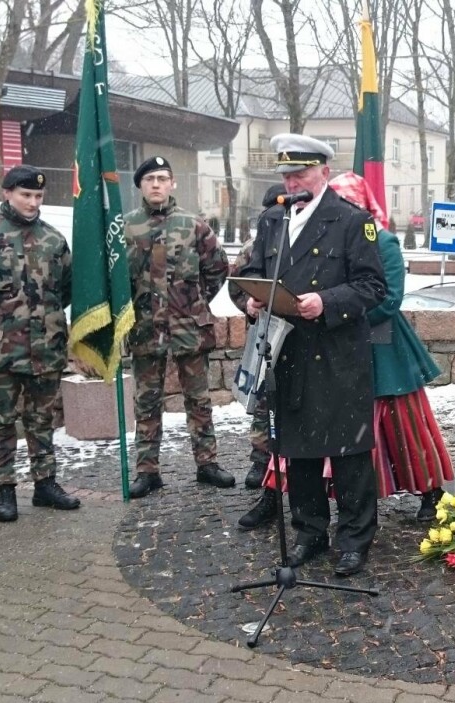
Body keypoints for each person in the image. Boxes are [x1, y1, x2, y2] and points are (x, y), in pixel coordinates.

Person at [236, 173, 453, 532]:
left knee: (397, 432)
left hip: (378, 349)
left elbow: (386, 297)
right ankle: (276, 496)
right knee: (302, 432)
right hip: (316, 345)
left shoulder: (381, 240)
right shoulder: (299, 229)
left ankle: (426, 490)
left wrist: (336, 314)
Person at [235, 134, 387, 576]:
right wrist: (249, 300)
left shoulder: (352, 221)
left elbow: (373, 287)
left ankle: (355, 538)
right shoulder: (272, 221)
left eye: (300, 173)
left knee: (348, 454)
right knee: (298, 452)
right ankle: (309, 532)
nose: (292, 181)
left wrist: (328, 301)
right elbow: (247, 274)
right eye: (285, 174)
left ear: (324, 171)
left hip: (337, 354)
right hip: (289, 354)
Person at [0, 165, 81, 523]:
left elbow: (66, 289)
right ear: (7, 193)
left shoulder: (54, 239)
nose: (32, 202)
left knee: (41, 419)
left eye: (38, 196)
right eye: (25, 195)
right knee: (1, 421)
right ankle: (4, 490)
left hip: (46, 345)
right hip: (0, 349)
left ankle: (45, 484)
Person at [123, 156, 235, 498]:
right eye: (149, 179)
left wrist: (192, 301)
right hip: (145, 328)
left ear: (173, 184)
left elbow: (217, 270)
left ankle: (207, 464)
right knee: (147, 402)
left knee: (199, 399)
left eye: (162, 178)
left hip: (189, 327)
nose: (156, 184)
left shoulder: (194, 225)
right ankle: (147, 470)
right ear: (140, 185)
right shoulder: (126, 227)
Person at [233, 184, 287, 490]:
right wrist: (250, 306)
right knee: (262, 398)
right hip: (264, 334)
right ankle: (259, 460)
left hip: (293, 331)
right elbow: (236, 286)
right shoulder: (252, 247)